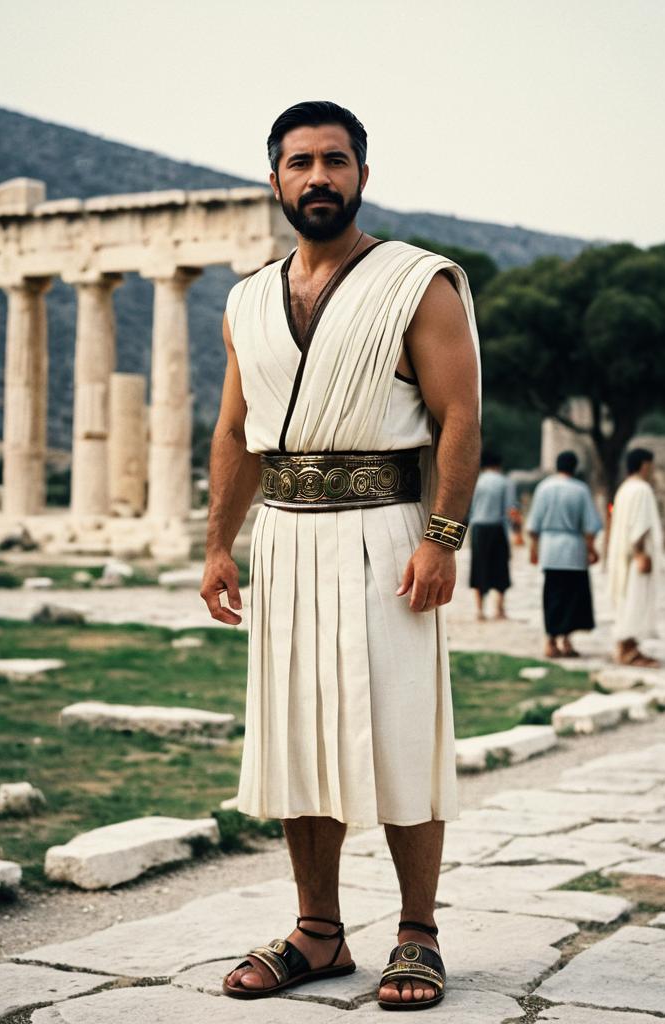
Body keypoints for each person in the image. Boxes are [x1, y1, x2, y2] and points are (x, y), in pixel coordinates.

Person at [201, 101, 481, 1010]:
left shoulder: (418, 282)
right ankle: (317, 933)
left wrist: (442, 537)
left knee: (401, 729)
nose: (317, 177)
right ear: (273, 178)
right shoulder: (247, 298)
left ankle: (418, 934)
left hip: (390, 532)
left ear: (363, 172)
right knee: (297, 735)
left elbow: (461, 419)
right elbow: (236, 432)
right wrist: (217, 545)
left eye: (334, 161)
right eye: (299, 163)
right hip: (283, 535)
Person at [527, 450, 602, 657]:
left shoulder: (544, 488)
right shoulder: (581, 490)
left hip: (550, 549)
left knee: (552, 596)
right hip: (574, 550)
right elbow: (590, 526)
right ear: (575, 467)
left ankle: (550, 641)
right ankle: (567, 641)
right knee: (572, 598)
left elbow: (533, 525)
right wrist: (592, 549)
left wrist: (534, 550)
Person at [606, 448, 663, 667]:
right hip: (635, 556)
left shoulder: (624, 489)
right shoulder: (641, 489)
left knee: (626, 597)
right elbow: (640, 525)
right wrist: (640, 553)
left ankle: (626, 645)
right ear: (645, 465)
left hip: (622, 554)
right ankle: (628, 647)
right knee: (635, 598)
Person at [468, 448, 516, 621]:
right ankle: (499, 608)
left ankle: (480, 610)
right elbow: (510, 510)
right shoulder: (505, 482)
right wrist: (515, 531)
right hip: (496, 528)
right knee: (500, 568)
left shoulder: (476, 481)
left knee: (479, 567)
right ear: (499, 464)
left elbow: (469, 508)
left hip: (478, 529)